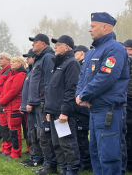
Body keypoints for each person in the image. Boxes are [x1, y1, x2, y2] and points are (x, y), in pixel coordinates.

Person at [76, 12, 129, 175]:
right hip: (94, 110)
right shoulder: (92, 52)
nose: (89, 30)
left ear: (104, 27)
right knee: (96, 153)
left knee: (109, 156)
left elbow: (106, 77)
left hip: (109, 110)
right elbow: (82, 77)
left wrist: (84, 95)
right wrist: (79, 95)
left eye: (93, 26)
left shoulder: (115, 49)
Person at [45, 35, 81, 175]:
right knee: (57, 143)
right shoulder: (60, 63)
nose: (55, 47)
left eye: (58, 44)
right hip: (54, 111)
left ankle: (72, 170)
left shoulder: (71, 63)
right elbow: (53, 89)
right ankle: (64, 168)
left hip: (63, 112)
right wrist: (49, 110)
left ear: (67, 47)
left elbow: (71, 89)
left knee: (67, 143)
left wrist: (65, 111)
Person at [22, 34, 57, 172]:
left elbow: (50, 82)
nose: (32, 45)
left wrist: (48, 105)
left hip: (43, 103)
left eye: (35, 42)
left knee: (45, 135)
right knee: (40, 134)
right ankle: (46, 163)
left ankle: (50, 165)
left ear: (43, 44)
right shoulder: (38, 59)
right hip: (36, 103)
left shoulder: (47, 58)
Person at [0, 56, 27, 160]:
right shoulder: (12, 74)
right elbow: (5, 89)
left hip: (14, 106)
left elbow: (14, 91)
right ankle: (11, 150)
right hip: (8, 106)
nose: (12, 64)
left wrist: (2, 100)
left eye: (14, 62)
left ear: (20, 64)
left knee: (15, 131)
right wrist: (2, 99)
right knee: (11, 130)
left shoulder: (20, 75)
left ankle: (16, 153)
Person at [73, 45, 92, 172]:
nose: (73, 55)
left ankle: (86, 162)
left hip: (83, 109)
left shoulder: (86, 66)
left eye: (75, 52)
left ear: (81, 52)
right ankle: (81, 161)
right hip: (77, 107)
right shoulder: (78, 66)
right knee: (78, 137)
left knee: (82, 137)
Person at [0, 52, 12, 156]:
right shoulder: (2, 72)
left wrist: (2, 102)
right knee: (2, 126)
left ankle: (8, 148)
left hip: (3, 104)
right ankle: (4, 147)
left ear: (8, 60)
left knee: (6, 127)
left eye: (1, 58)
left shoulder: (9, 72)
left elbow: (7, 89)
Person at [122, 39, 132, 173]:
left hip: (129, 99)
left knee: (129, 132)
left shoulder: (128, 60)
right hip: (127, 100)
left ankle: (129, 163)